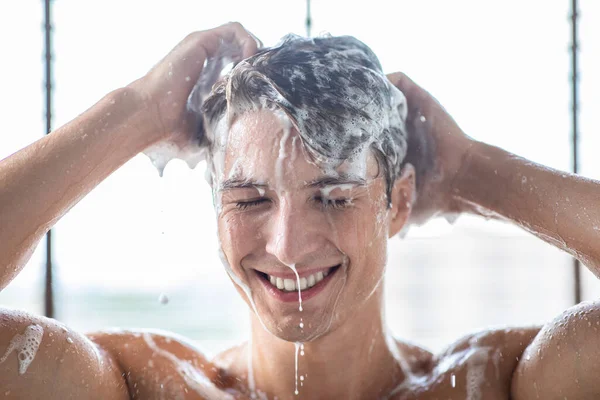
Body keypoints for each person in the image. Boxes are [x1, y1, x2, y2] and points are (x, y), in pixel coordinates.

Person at [0, 21, 599, 400]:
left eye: (333, 197)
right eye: (250, 199)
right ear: (215, 208)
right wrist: (135, 110)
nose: (287, 247)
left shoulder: (498, 384)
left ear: (400, 203)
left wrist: (472, 169)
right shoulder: (139, 387)